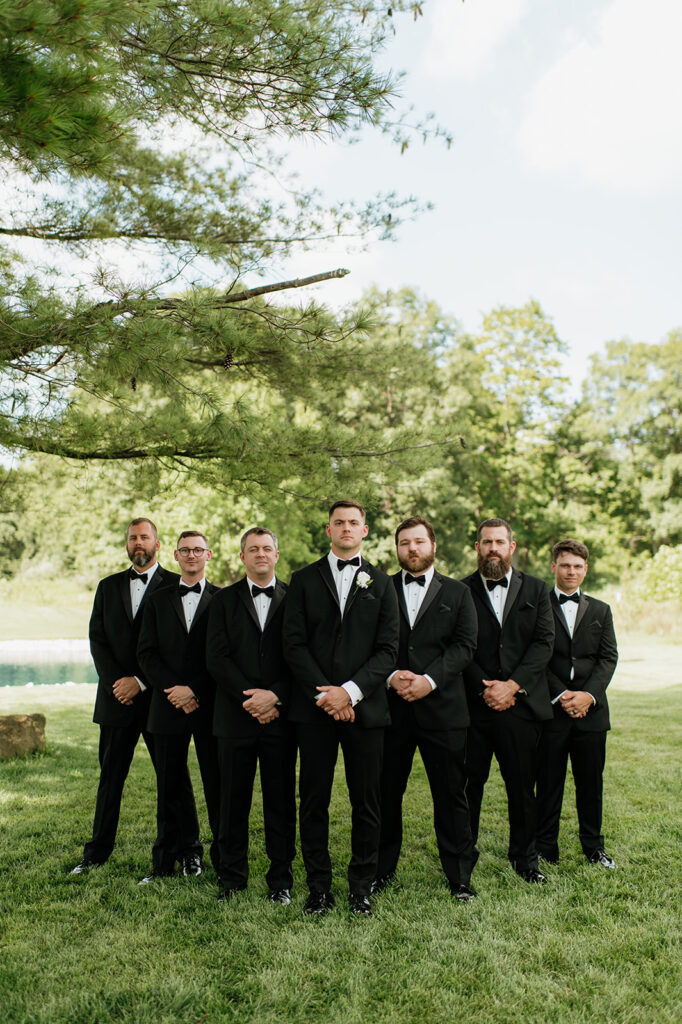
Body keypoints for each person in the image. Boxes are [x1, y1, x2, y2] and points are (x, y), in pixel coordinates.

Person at [283, 500, 399, 916]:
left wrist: (349, 693)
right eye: (339, 522)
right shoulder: (302, 580)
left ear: (364, 530)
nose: (346, 528)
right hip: (314, 711)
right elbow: (292, 644)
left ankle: (361, 887)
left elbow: (388, 650)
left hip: (364, 711)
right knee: (313, 800)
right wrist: (326, 696)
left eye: (354, 523)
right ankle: (318, 887)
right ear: (327, 530)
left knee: (366, 802)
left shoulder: (382, 584)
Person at [374, 516, 479, 902]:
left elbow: (465, 646)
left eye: (419, 541)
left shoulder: (458, 592)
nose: (412, 549)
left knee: (451, 796)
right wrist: (390, 677)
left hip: (444, 711)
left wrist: (429, 680)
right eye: (404, 543)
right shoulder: (378, 588)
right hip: (391, 710)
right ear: (396, 548)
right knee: (386, 794)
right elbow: (367, 643)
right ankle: (380, 872)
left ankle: (460, 877)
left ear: (433, 545)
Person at [70, 518, 182, 874]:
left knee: (172, 779)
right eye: (133, 537)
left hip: (159, 701)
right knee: (110, 779)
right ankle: (96, 853)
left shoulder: (177, 585)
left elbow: (178, 647)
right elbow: (97, 640)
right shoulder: (107, 587)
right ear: (127, 543)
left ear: (158, 544)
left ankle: (185, 849)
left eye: (144, 537)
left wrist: (141, 680)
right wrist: (118, 682)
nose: (138, 542)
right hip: (116, 698)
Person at [207, 527, 297, 904]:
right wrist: (250, 698)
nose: (260, 554)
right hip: (234, 716)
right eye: (252, 549)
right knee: (232, 802)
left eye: (267, 548)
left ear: (277, 555)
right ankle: (232, 878)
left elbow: (301, 657)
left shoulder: (296, 599)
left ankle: (281, 881)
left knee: (280, 801)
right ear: (242, 557)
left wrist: (274, 696)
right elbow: (216, 656)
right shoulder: (223, 601)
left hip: (280, 717)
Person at [461, 518, 554, 883]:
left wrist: (512, 686)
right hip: (474, 706)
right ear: (478, 547)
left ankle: (525, 860)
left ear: (512, 547)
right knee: (469, 786)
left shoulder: (537, 589)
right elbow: (459, 645)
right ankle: (464, 858)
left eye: (500, 541)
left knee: (521, 787)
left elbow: (543, 643)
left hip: (520, 706)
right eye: (487, 542)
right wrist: (484, 688)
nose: (493, 548)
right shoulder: (459, 590)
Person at [137, 531, 220, 882]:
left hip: (209, 706)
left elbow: (222, 656)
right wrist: (174, 690)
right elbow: (146, 653)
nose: (191, 555)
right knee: (169, 787)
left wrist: (194, 690)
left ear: (208, 555)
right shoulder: (157, 599)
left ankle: (224, 861)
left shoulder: (224, 599)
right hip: (167, 704)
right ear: (174, 554)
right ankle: (165, 862)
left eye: (197, 550)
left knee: (217, 784)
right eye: (185, 550)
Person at [536, 539, 618, 868]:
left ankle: (594, 848)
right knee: (549, 782)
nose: (572, 571)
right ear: (554, 566)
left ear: (586, 569)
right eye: (565, 565)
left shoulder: (601, 610)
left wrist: (588, 695)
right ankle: (544, 848)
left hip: (592, 713)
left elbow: (608, 658)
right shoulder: (538, 605)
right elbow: (536, 657)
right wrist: (561, 695)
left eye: (578, 566)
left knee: (590, 784)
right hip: (551, 710)